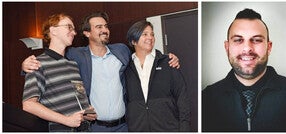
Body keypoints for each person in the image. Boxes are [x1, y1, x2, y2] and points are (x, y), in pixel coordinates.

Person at [21, 12, 180, 132]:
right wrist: (24, 66)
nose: (105, 29)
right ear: (87, 33)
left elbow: (142, 55)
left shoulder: (121, 50)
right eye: (99, 27)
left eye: (106, 26)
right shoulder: (76, 56)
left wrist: (166, 58)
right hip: (95, 128)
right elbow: (47, 62)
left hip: (123, 126)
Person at [202, 8, 286, 132]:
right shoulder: (206, 99)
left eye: (257, 40)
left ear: (269, 47)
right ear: (227, 48)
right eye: (238, 40)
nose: (247, 48)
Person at [22, 13, 97, 132]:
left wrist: (87, 112)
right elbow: (29, 105)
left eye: (74, 29)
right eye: (69, 27)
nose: (74, 32)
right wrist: (66, 120)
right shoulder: (36, 63)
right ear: (53, 30)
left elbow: (77, 97)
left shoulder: (72, 64)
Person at [125, 20, 190, 132]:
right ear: (133, 40)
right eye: (145, 34)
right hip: (138, 129)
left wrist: (184, 128)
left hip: (168, 128)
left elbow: (182, 97)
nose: (150, 37)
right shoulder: (125, 67)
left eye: (152, 34)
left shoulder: (168, 62)